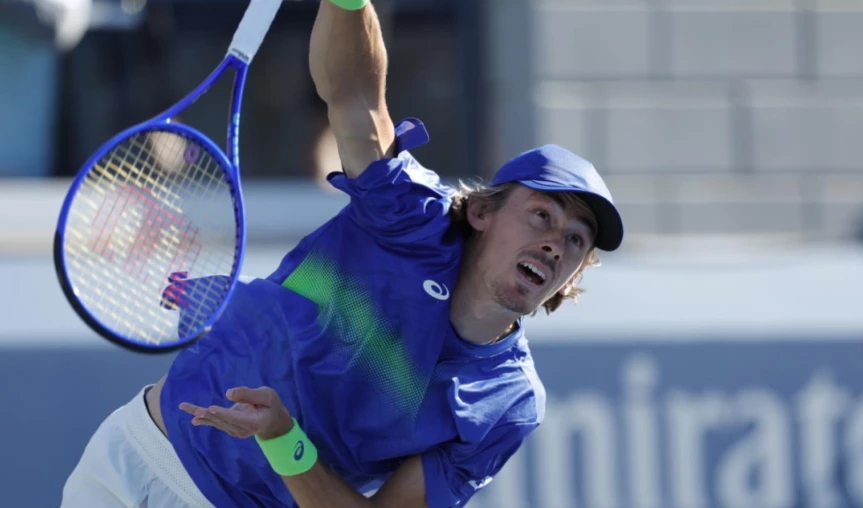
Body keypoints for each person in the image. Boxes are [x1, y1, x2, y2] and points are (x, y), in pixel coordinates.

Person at [60, 0, 624, 507]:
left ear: (572, 275)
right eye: (541, 216)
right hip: (134, 454)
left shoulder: (506, 401)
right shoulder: (409, 215)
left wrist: (285, 442)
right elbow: (356, 95)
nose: (555, 243)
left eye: (576, 239)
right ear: (482, 213)